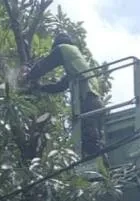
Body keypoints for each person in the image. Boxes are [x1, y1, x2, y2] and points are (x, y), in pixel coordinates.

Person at [20, 32, 106, 160]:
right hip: (96, 102)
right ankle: (103, 166)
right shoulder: (76, 66)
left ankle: (98, 165)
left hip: (88, 100)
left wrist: (27, 77)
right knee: (93, 140)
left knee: (89, 141)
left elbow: (45, 65)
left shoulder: (64, 49)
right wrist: (40, 88)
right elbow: (59, 87)